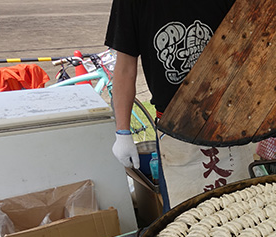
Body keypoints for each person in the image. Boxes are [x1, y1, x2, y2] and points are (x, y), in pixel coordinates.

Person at [105, 0, 253, 211]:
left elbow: (249, 49)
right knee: (182, 219)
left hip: (226, 121)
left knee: (239, 211)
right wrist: (122, 131)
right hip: (173, 127)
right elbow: (125, 69)